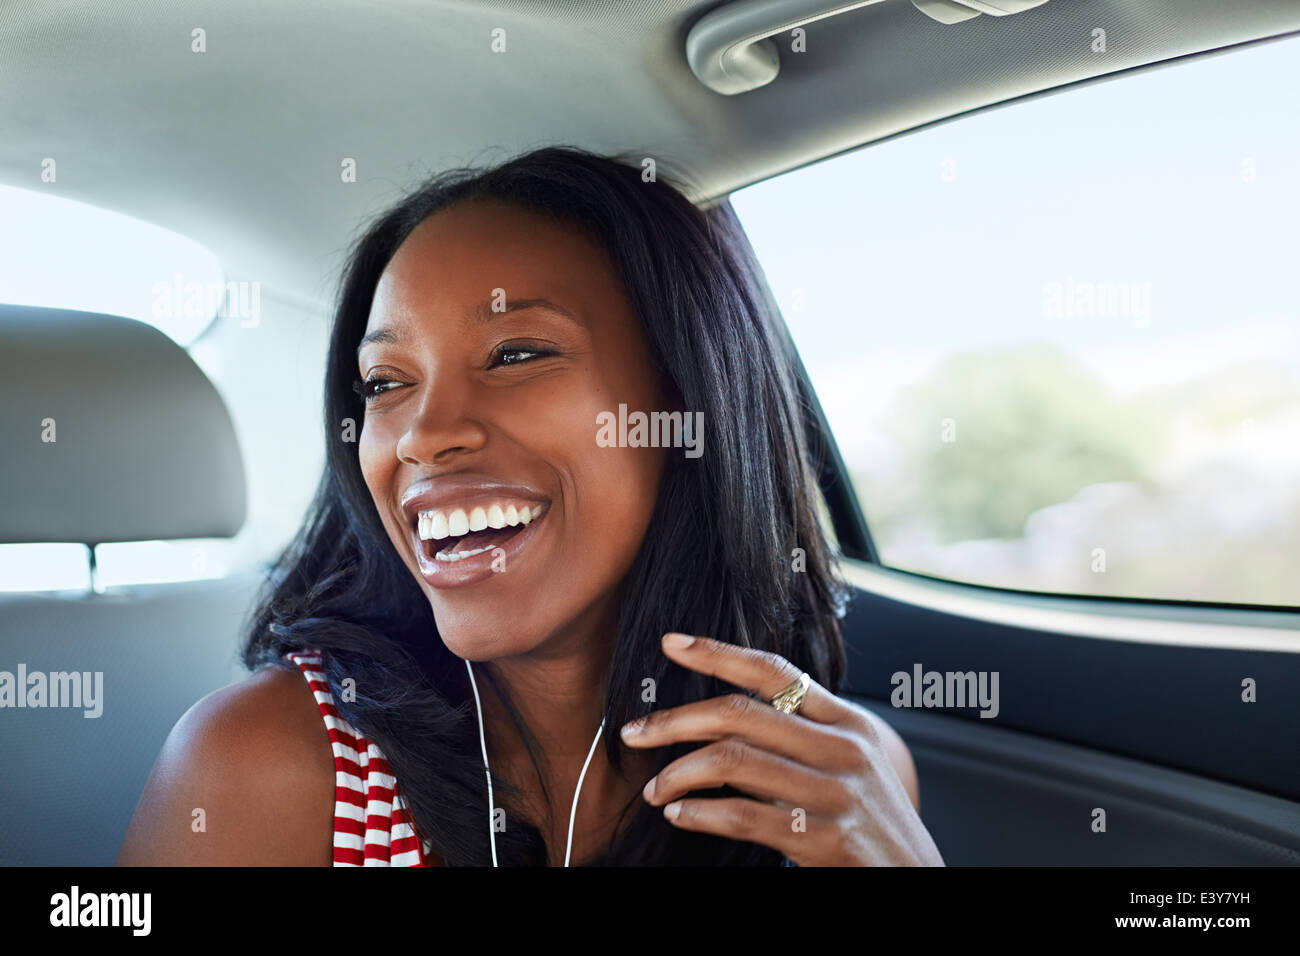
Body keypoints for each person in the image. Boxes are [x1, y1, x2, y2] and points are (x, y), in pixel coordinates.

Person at [118, 146, 943, 866]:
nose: (425, 436)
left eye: (515, 354)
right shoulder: (265, 769)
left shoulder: (833, 779)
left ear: (685, 405)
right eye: (386, 384)